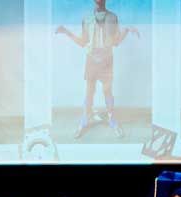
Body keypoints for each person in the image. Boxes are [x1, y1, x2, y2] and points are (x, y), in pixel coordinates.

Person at [56, 0, 140, 139]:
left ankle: (113, 121)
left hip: (107, 60)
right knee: (89, 92)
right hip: (91, 59)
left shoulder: (113, 17)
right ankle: (83, 121)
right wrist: (66, 32)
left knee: (107, 91)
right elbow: (83, 42)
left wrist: (126, 30)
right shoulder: (87, 19)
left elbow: (116, 42)